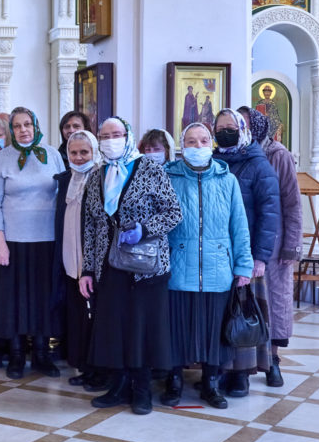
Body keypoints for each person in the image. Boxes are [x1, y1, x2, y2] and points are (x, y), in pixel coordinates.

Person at [79, 117, 182, 415]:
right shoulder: (98, 175)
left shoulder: (149, 168)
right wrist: (87, 269)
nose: (111, 139)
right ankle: (119, 384)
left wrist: (144, 228)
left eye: (117, 134)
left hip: (145, 265)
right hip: (107, 265)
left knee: (142, 327)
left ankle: (142, 389)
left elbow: (174, 212)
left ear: (128, 136)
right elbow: (90, 224)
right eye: (105, 135)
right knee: (115, 327)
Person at [162, 122, 253, 410]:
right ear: (182, 145)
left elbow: (239, 226)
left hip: (217, 269)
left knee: (214, 332)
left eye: (203, 140)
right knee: (177, 330)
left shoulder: (227, 180)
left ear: (211, 143)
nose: (198, 146)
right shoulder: (168, 176)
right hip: (178, 267)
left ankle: (211, 383)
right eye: (191, 141)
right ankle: (173, 381)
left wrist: (243, 266)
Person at [0, 107, 65, 378]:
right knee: (14, 299)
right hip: (13, 241)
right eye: (17, 125)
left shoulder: (53, 154)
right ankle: (17, 355)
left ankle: (42, 353)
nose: (23, 129)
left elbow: (64, 195)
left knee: (43, 298)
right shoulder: (2, 158)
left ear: (36, 125)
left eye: (27, 124)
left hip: (47, 239)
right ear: (11, 130)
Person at [212, 108, 281, 397]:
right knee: (219, 314)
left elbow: (269, 212)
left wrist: (260, 257)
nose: (225, 131)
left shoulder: (258, 164)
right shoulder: (212, 160)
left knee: (244, 312)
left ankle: (241, 374)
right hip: (216, 253)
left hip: (247, 253)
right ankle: (218, 369)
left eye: (231, 127)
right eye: (220, 127)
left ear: (243, 130)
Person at [241, 105, 301, 387]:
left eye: (245, 125)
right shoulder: (235, 155)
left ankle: (273, 362)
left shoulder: (278, 155)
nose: (243, 131)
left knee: (274, 303)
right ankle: (243, 363)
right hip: (244, 239)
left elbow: (292, 204)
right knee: (243, 304)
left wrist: (291, 245)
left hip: (275, 244)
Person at [54, 130, 105, 390]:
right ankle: (83, 366)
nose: (78, 157)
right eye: (73, 152)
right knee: (77, 318)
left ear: (94, 151)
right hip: (69, 260)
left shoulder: (102, 177)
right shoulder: (67, 179)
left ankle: (99, 369)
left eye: (84, 152)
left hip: (94, 263)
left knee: (96, 318)